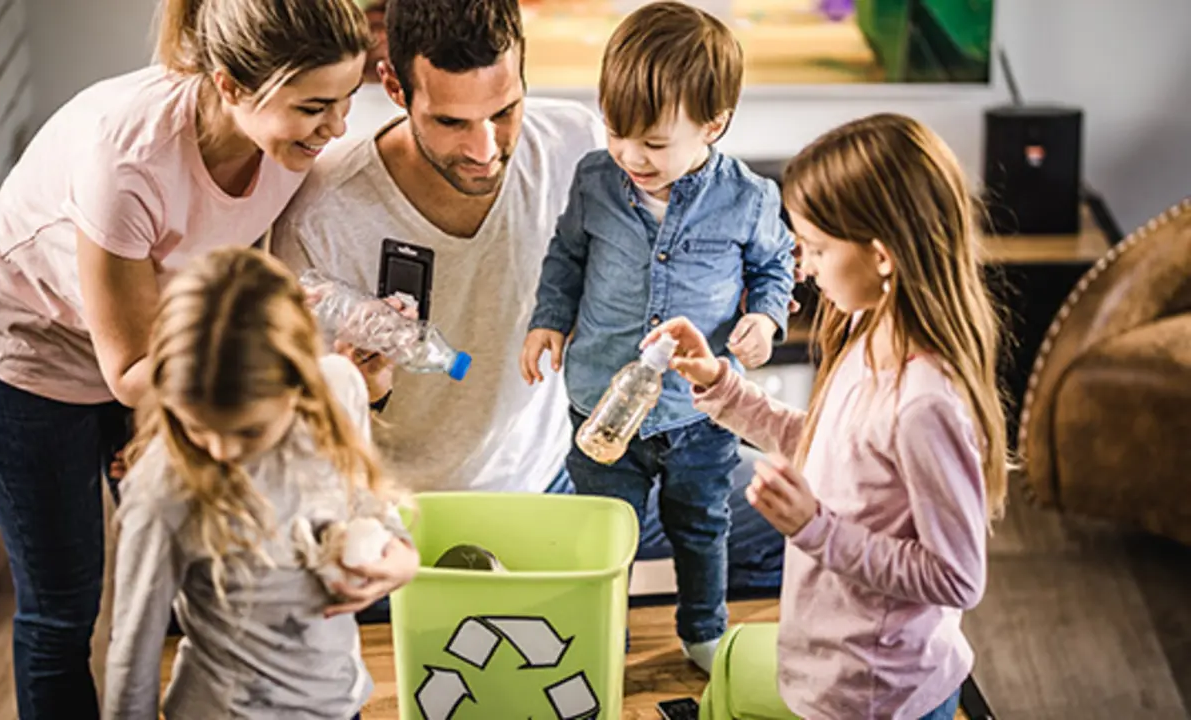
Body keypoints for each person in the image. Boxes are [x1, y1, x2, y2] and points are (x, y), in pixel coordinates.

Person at [271, 0, 788, 610]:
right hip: (410, 518)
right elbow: (297, 442)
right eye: (451, 122)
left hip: (567, 474)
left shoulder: (581, 145)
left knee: (791, 515)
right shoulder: (322, 216)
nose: (485, 148)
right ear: (392, 85)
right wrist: (365, 391)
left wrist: (771, 289)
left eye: (505, 110)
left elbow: (697, 207)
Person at [0, 0, 371, 715]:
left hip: (167, 355)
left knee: (194, 572)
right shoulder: (129, 159)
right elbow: (131, 372)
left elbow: (238, 284)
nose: (335, 128)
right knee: (64, 607)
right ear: (232, 85)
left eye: (347, 102)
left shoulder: (285, 146)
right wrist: (288, 371)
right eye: (315, 106)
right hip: (33, 354)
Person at [648, 113, 1007, 719]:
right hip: (831, 667)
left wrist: (815, 527)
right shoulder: (869, 330)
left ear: (882, 257)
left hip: (879, 694)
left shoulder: (924, 403)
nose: (803, 268)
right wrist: (722, 387)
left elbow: (957, 578)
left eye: (814, 248)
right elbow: (828, 445)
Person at [520, 0, 795, 672]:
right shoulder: (595, 179)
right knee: (600, 534)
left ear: (714, 124)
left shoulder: (750, 198)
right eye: (617, 131)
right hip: (600, 399)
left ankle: (703, 631)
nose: (629, 155)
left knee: (701, 527)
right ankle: (599, 632)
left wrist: (765, 317)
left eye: (652, 142)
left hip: (699, 412)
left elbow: (775, 265)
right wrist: (547, 319)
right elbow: (566, 258)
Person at [104, 248, 415, 720]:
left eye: (248, 432)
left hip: (339, 703)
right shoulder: (163, 489)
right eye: (195, 426)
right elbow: (132, 653)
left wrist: (401, 553)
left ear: (299, 384)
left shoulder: (340, 389)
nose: (221, 451)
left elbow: (364, 499)